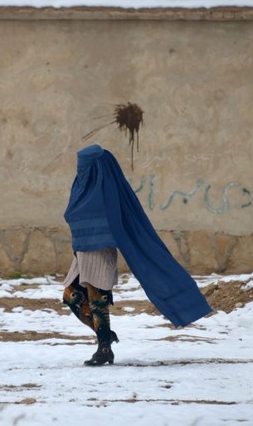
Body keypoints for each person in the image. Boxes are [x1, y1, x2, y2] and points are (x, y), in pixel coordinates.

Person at [62, 144, 213, 366]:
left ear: (96, 167)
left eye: (84, 165)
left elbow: (118, 220)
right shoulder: (82, 188)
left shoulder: (105, 190)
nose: (81, 169)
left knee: (97, 301)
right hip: (81, 253)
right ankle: (105, 337)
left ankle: (104, 348)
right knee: (71, 296)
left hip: (100, 252)